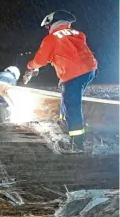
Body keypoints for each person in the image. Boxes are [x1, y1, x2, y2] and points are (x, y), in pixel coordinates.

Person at [23, 10, 98, 151]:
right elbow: (68, 52)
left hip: (74, 74)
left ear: (52, 23)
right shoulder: (78, 34)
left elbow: (40, 60)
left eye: (47, 26)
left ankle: (77, 143)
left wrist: (30, 67)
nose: (47, 29)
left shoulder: (50, 39)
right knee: (66, 92)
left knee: (72, 106)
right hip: (90, 70)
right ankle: (64, 122)